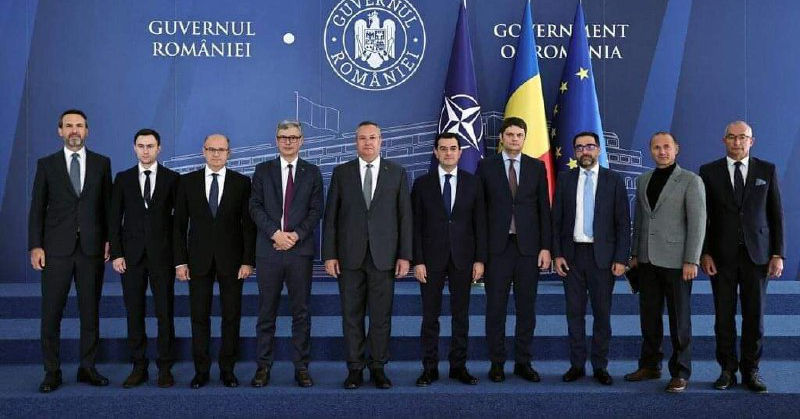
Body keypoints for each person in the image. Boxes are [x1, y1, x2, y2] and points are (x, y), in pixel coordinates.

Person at [322, 121, 413, 389]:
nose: (368, 142)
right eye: (362, 138)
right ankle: (354, 368)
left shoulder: (397, 173)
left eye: (372, 137)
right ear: (356, 142)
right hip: (349, 257)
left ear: (381, 141)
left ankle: (378, 367)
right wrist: (329, 254)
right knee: (351, 316)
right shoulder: (341, 173)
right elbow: (331, 218)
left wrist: (405, 255)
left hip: (384, 258)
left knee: (380, 317)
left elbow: (405, 217)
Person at [29, 109, 112, 393]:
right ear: (60, 131)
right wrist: (36, 245)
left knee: (90, 312)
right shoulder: (46, 164)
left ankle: (87, 367)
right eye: (68, 126)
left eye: (79, 125)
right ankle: (52, 371)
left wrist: (110, 240)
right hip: (55, 251)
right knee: (51, 313)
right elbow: (37, 208)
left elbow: (107, 207)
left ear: (87, 130)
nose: (74, 130)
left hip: (91, 249)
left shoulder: (102, 163)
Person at [699, 121, 783, 393]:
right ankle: (727, 370)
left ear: (751, 141)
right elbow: (703, 218)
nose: (737, 142)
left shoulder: (767, 170)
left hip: (757, 256)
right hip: (720, 257)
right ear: (723, 140)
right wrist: (704, 252)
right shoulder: (708, 171)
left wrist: (778, 254)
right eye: (732, 137)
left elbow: (776, 215)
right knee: (723, 317)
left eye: (742, 137)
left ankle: (751, 370)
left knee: (754, 317)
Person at [625, 132, 706, 393]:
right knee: (649, 317)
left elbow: (697, 224)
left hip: (677, 263)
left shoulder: (691, 180)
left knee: (679, 320)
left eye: (667, 147)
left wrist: (691, 259)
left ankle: (680, 371)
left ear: (676, 149)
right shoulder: (643, 179)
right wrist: (635, 254)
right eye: (657, 147)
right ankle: (650, 365)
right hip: (647, 261)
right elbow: (640, 221)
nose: (662, 151)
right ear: (650, 151)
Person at [173, 133, 256, 388]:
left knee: (231, 317)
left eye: (221, 150)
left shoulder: (242, 182)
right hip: (197, 261)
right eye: (211, 149)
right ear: (203, 151)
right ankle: (201, 371)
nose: (216, 154)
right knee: (199, 317)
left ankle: (227, 370)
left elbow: (248, 226)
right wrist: (180, 262)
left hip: (233, 261)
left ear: (229, 153)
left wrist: (248, 260)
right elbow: (178, 226)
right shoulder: (187, 182)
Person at [476, 117, 551, 383]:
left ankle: (523, 362)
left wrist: (546, 247)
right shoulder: (486, 166)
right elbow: (479, 213)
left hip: (528, 250)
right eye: (510, 134)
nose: (515, 139)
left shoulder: (536, 167)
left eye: (519, 135)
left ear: (525, 138)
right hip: (497, 250)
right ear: (501, 137)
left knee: (526, 309)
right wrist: (480, 255)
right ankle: (497, 363)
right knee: (495, 309)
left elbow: (544, 210)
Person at [249, 121, 323, 388]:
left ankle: (301, 367)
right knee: (266, 312)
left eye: (293, 137)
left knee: (301, 313)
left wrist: (295, 236)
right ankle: (263, 367)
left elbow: (316, 210)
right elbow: (255, 207)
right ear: (276, 140)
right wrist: (275, 234)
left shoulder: (312, 172)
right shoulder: (262, 170)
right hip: (269, 251)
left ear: (302, 140)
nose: (288, 141)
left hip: (299, 252)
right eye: (283, 137)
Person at [552, 132, 630, 385]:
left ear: (598, 149)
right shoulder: (564, 179)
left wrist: (621, 258)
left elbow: (623, 223)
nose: (584, 151)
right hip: (572, 257)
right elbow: (556, 221)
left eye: (589, 146)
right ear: (575, 152)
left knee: (602, 315)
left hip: (603, 259)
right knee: (574, 314)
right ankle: (576, 365)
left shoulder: (613, 180)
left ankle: (600, 366)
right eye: (579, 147)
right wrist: (557, 254)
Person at [411, 133, 487, 387]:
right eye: (443, 149)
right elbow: (415, 226)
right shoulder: (422, 184)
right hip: (430, 260)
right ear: (436, 152)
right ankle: (429, 368)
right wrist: (418, 261)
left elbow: (480, 224)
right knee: (430, 317)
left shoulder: (473, 183)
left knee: (461, 316)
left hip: (463, 259)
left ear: (460, 152)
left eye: (453, 148)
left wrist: (480, 260)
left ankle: (458, 367)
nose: (448, 153)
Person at [109, 128, 180, 388]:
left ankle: (165, 367)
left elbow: (179, 223)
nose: (146, 150)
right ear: (134, 148)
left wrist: (179, 258)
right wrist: (117, 253)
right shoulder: (123, 178)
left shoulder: (173, 179)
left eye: (150, 146)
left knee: (165, 313)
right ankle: (139, 366)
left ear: (159, 148)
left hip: (163, 257)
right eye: (141, 146)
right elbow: (114, 219)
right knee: (134, 313)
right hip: (131, 257)